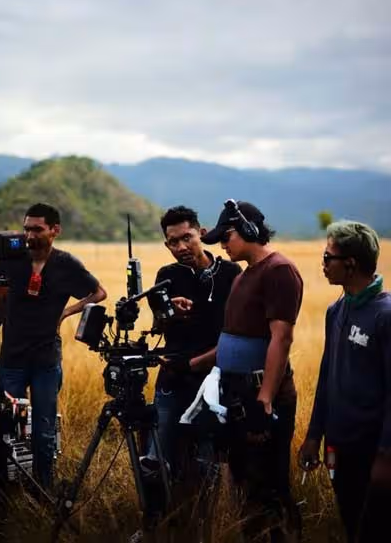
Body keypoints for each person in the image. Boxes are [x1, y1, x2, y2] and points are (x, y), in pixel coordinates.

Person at [201, 199, 303, 542]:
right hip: (236, 395)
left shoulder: (279, 270)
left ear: (248, 230)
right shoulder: (245, 274)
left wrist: (265, 399)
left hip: (260, 397)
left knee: (268, 486)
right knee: (245, 483)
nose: (222, 245)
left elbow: (281, 338)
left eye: (225, 236)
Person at [0, 203, 106, 491]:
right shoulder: (11, 259)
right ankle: (9, 490)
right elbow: (1, 300)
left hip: (45, 359)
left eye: (37, 229)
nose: (30, 235)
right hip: (12, 358)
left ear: (55, 230)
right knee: (7, 427)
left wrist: (67, 312)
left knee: (43, 431)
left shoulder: (66, 264)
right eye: (27, 229)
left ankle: (44, 488)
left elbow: (98, 293)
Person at [299, 221, 391, 543]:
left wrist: (386, 455)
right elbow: (327, 374)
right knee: (350, 521)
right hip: (338, 446)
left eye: (328, 257)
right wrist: (314, 435)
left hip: (373, 449)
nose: (323, 264)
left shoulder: (385, 316)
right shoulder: (336, 310)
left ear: (350, 264)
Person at [143, 205, 241, 471]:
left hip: (215, 379)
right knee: (158, 455)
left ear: (202, 234)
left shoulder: (231, 273)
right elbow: (158, 325)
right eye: (173, 242)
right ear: (167, 245)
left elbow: (239, 330)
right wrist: (169, 311)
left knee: (208, 460)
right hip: (173, 376)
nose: (181, 247)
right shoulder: (166, 276)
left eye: (187, 237)